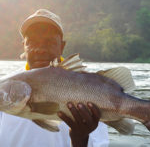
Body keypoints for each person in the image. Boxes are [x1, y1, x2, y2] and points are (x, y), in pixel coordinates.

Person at [0, 9, 109, 147]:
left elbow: (100, 143)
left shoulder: (88, 88)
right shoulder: (6, 89)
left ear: (62, 46)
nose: (40, 49)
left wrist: (80, 140)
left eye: (49, 42)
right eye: (32, 42)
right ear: (24, 46)